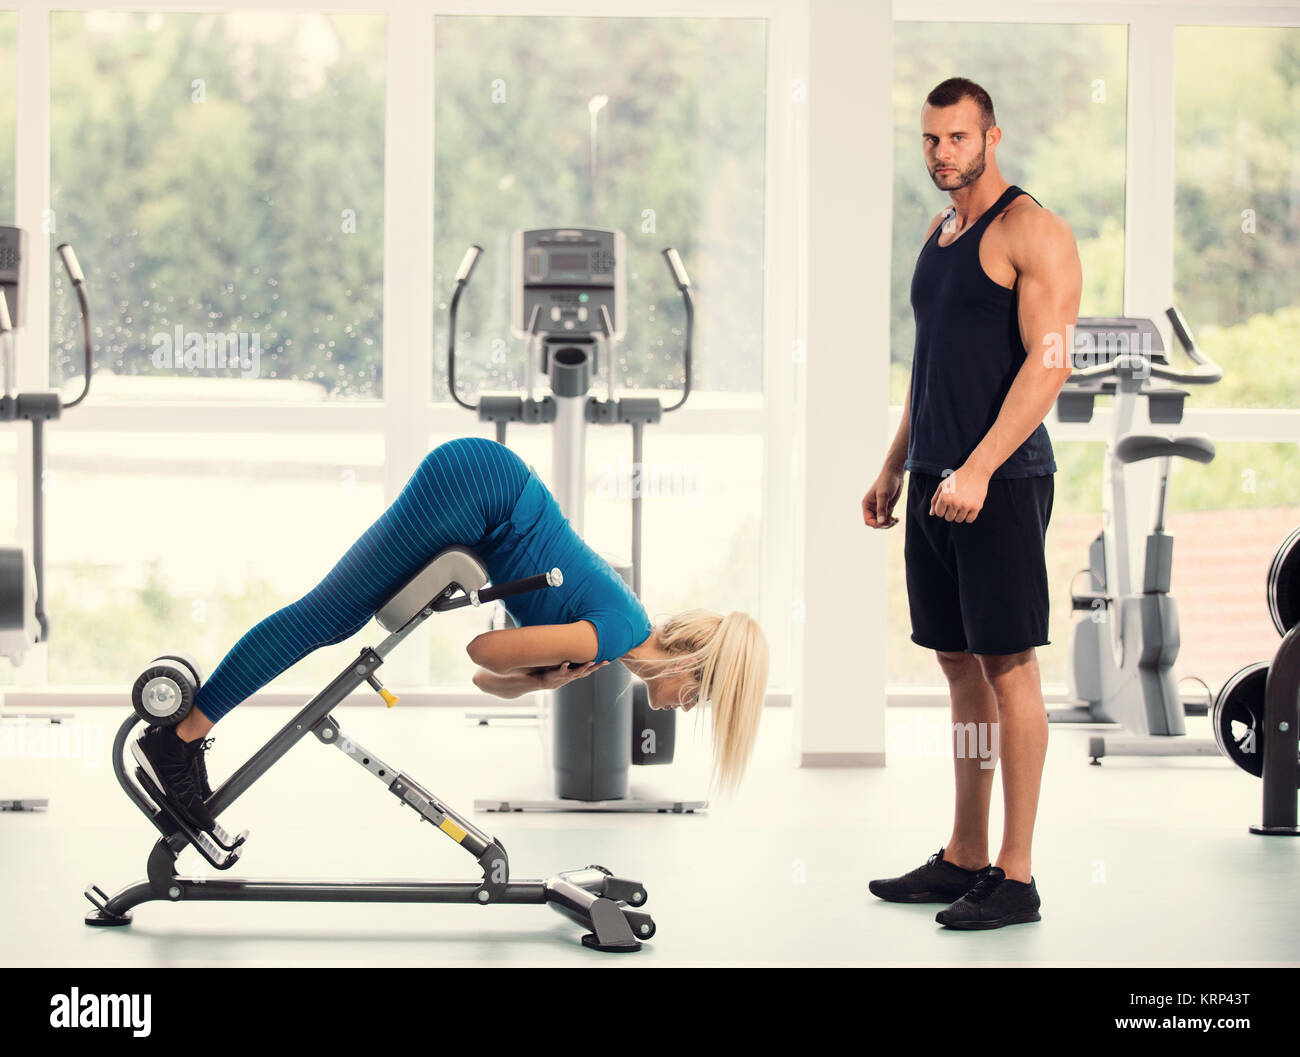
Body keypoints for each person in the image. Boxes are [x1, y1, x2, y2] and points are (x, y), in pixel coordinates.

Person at [134, 436, 770, 831]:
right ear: (691, 665)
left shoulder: (621, 631)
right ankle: (180, 738)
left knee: (332, 615)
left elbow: (487, 680)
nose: (690, 706)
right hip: (481, 487)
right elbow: (482, 649)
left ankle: (187, 735)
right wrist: (555, 669)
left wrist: (542, 682)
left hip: (486, 483)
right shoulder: (610, 637)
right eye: (701, 695)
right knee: (329, 614)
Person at [862, 77, 1081, 929]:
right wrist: (896, 464)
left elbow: (1049, 362)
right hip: (933, 478)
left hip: (1003, 478)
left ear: (994, 136)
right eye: (930, 139)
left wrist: (981, 468)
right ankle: (965, 851)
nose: (941, 154)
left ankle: (1017, 875)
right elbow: (932, 367)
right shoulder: (940, 231)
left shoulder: (1035, 232)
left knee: (1010, 665)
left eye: (957, 138)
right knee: (958, 666)